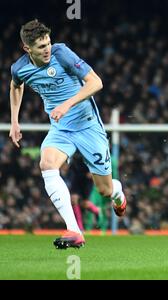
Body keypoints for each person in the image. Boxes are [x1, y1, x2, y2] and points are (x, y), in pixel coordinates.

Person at [9, 20, 127, 249]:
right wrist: (14, 121)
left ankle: (118, 193)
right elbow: (16, 85)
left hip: (88, 126)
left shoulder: (61, 53)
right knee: (47, 163)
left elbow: (96, 82)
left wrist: (67, 104)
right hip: (61, 130)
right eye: (41, 46)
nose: (47, 49)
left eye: (48, 43)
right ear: (27, 49)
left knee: (104, 190)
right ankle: (75, 230)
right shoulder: (19, 68)